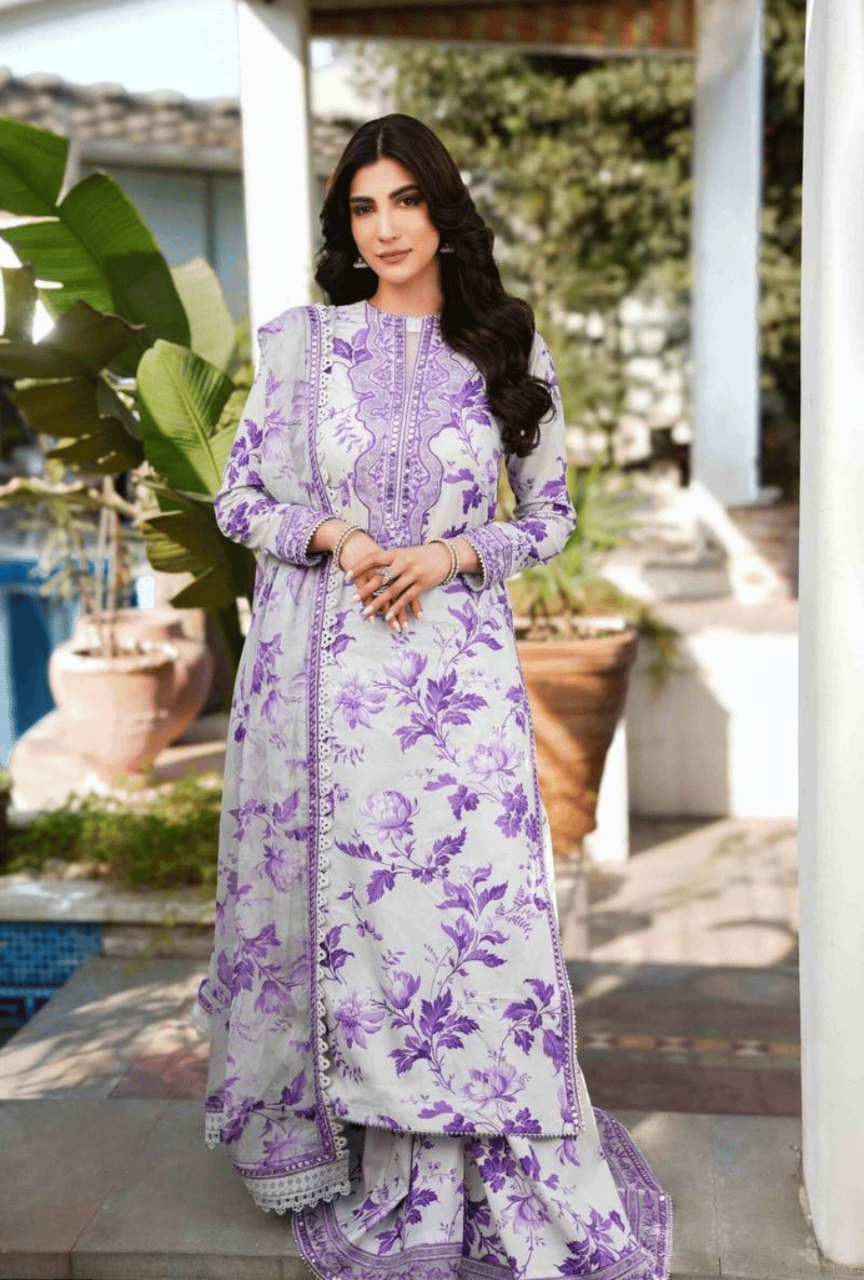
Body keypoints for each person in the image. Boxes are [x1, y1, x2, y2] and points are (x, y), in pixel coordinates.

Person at [191, 112, 672, 1280]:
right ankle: (381, 1155)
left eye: (405, 199)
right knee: (362, 933)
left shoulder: (509, 349)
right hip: (328, 698)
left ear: (441, 209)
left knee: (472, 936)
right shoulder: (303, 347)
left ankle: (490, 1153)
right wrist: (343, 533)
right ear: (345, 227)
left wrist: (455, 554)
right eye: (363, 206)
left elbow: (547, 517)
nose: (386, 225)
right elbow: (239, 500)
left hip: (457, 697)